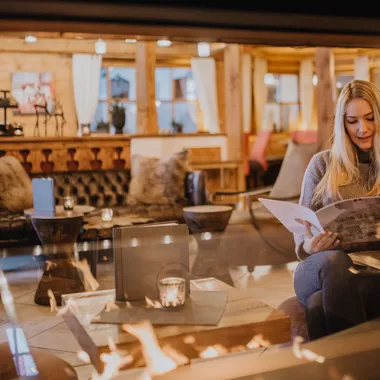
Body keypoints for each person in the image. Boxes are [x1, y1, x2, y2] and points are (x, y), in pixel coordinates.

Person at [294, 79, 380, 340]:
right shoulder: (323, 164)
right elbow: (300, 233)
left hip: (370, 270)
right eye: (352, 121)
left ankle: (343, 368)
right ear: (342, 123)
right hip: (319, 264)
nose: (362, 129)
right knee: (335, 261)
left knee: (320, 305)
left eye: (369, 118)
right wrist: (311, 245)